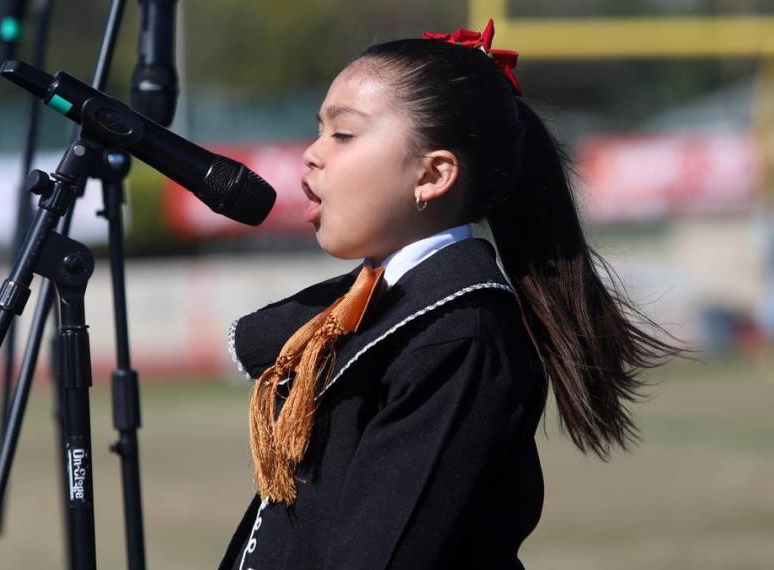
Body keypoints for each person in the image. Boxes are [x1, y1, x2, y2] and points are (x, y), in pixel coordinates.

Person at [219, 20, 679, 570]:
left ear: (433, 175)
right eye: (318, 130)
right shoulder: (372, 310)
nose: (312, 154)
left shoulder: (460, 337)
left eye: (342, 134)